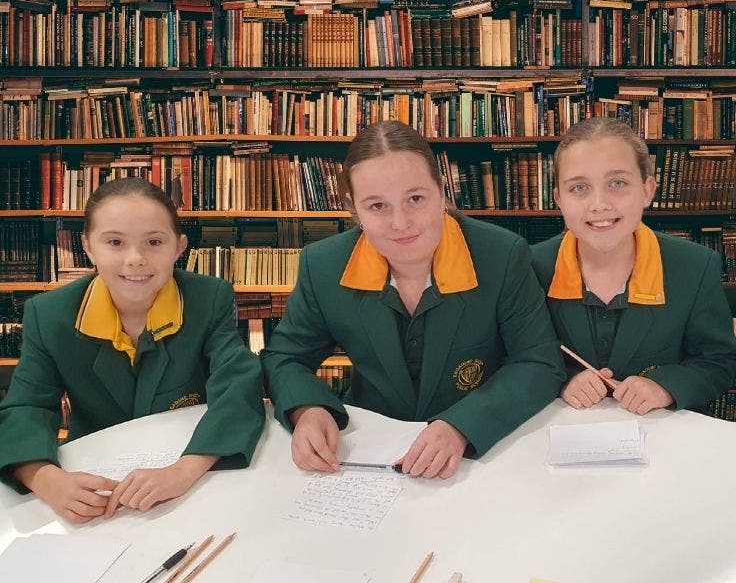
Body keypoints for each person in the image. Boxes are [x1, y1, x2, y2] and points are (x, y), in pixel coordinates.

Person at [261, 121, 565, 479]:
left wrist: (462, 426)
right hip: (367, 452)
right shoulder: (322, 265)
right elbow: (285, 357)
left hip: (477, 458)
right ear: (354, 209)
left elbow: (538, 362)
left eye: (416, 199)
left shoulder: (502, 255)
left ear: (442, 192)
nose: (400, 222)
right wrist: (307, 408)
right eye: (377, 206)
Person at [0, 178, 265, 523]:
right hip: (94, 478)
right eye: (114, 242)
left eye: (154, 242)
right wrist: (46, 480)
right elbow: (27, 406)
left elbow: (238, 385)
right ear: (88, 247)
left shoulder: (209, 298)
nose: (135, 259)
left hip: (187, 463)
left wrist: (183, 471)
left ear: (179, 246)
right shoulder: (49, 314)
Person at [531, 117, 736, 414]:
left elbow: (720, 360)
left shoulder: (695, 266)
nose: (599, 204)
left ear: (647, 190)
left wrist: (666, 386)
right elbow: (515, 357)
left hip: (663, 440)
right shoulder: (531, 266)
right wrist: (563, 380)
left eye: (618, 183)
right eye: (579, 188)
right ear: (558, 199)